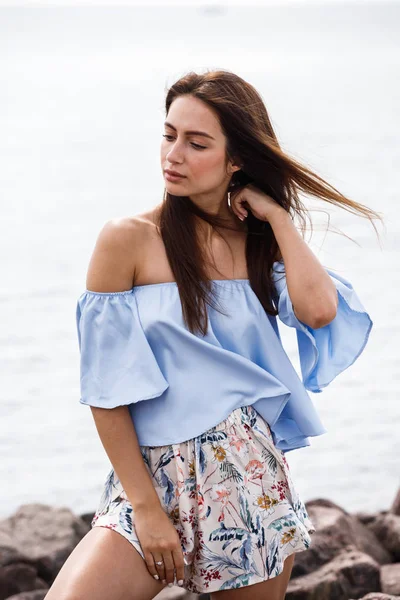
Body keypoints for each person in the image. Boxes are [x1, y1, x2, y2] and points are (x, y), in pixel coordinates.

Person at [45, 69, 380, 600]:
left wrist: (277, 218)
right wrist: (146, 509)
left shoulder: (257, 243)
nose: (173, 154)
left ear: (237, 158)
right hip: (152, 480)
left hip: (247, 477)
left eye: (197, 142)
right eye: (169, 134)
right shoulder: (128, 240)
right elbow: (106, 392)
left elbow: (318, 312)